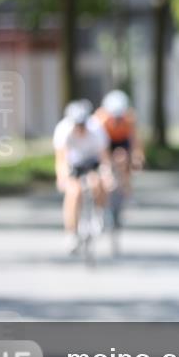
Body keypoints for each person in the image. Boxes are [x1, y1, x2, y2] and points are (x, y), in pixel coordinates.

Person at [53, 100, 112, 253]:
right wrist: (62, 178)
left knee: (97, 182)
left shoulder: (96, 128)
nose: (80, 129)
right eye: (77, 125)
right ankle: (71, 233)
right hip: (75, 163)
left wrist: (107, 175)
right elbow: (61, 160)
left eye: (82, 125)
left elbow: (104, 158)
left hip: (93, 160)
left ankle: (100, 214)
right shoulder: (63, 130)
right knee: (73, 192)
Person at [94, 89, 144, 194]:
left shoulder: (129, 118)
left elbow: (135, 140)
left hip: (122, 141)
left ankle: (126, 187)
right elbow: (99, 145)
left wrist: (137, 157)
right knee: (105, 166)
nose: (116, 121)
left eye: (119, 118)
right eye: (114, 117)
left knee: (122, 158)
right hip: (106, 141)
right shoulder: (99, 118)